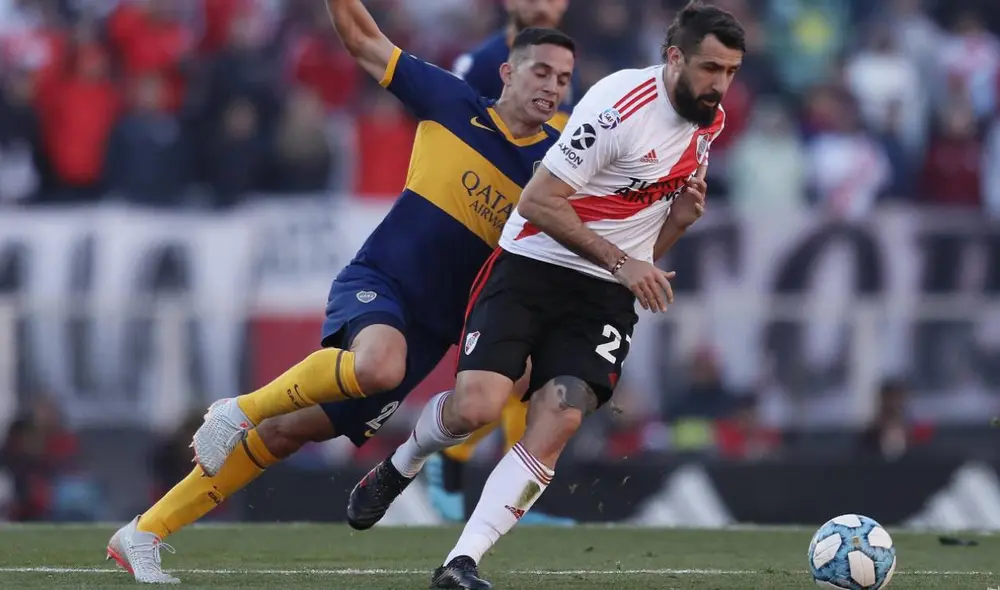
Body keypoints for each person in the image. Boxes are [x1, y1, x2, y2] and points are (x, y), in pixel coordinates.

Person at [104, 0, 576, 583]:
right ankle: (236, 409)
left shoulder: (560, 162)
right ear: (508, 72)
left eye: (562, 79)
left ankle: (144, 532)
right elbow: (363, 40)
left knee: (287, 432)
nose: (552, 87)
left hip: (436, 328)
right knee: (376, 365)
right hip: (381, 282)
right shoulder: (452, 102)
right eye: (541, 72)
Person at [346, 3, 745, 588]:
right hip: (532, 264)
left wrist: (677, 223)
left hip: (604, 295)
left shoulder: (709, 122)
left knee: (558, 419)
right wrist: (623, 262)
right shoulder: (618, 107)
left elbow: (645, 242)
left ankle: (463, 561)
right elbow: (536, 201)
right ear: (674, 57)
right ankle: (402, 461)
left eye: (732, 71)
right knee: (476, 407)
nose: (720, 85)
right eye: (711, 68)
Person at [428, 0, 578, 527]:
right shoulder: (482, 60)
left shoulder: (566, 67)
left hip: (541, 225)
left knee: (537, 363)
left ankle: (507, 486)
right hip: (497, 226)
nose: (547, 4)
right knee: (511, 364)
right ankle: (448, 459)